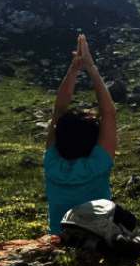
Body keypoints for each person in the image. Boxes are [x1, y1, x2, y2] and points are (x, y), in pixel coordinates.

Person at [44, 35, 117, 235]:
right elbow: (109, 114)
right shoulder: (97, 163)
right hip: (97, 239)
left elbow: (58, 110)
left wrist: (74, 68)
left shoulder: (52, 163)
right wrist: (91, 68)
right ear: (95, 142)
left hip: (58, 238)